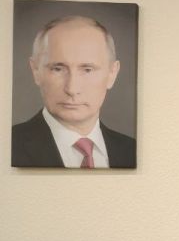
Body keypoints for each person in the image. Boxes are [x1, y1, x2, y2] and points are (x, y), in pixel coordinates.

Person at [11, 15, 135, 168]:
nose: (72, 89)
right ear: (36, 71)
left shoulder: (131, 150)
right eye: (58, 69)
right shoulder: (8, 144)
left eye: (87, 70)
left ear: (112, 74)